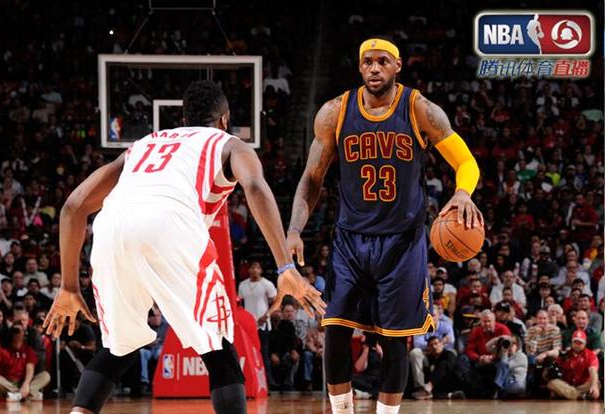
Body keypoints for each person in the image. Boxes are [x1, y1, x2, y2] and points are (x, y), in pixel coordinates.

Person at [43, 80, 325, 414]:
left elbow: (73, 207)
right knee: (219, 348)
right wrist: (285, 267)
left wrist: (69, 287)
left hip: (110, 228)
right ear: (224, 119)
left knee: (119, 347)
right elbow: (255, 187)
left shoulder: (143, 144)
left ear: (183, 117)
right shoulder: (230, 143)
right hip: (172, 224)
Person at [287, 36, 482, 414]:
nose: (374, 68)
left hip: (402, 242)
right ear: (360, 67)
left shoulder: (420, 109)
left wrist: (462, 193)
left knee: (396, 341)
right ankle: (341, 410)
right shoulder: (335, 112)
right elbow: (311, 180)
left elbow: (467, 162)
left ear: (397, 66)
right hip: (351, 239)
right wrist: (294, 229)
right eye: (367, 62)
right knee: (338, 331)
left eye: (382, 62)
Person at [237, 261, 277, 387]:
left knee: (263, 353)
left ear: (261, 270)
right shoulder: (243, 285)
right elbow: (239, 303)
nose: (255, 269)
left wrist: (267, 315)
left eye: (257, 267)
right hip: (248, 324)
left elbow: (275, 302)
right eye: (253, 267)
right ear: (248, 270)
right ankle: (249, 380)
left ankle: (268, 382)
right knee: (248, 352)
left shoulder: (266, 284)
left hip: (262, 323)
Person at [0, 325, 50, 401]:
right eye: (15, 331)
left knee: (45, 375)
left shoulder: (28, 350)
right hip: (8, 383)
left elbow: (30, 370)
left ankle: (20, 395)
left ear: (24, 334)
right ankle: (25, 394)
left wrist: (26, 384)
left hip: (24, 382)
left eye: (20, 331)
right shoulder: (3, 349)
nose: (17, 334)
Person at [409, 303, 455, 399]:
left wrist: (436, 347)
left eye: (433, 315)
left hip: (441, 355)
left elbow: (451, 343)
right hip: (427, 355)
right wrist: (437, 344)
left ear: (439, 316)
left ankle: (433, 388)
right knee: (415, 352)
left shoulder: (446, 326)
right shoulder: (420, 327)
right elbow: (417, 344)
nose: (430, 318)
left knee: (452, 353)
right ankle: (420, 387)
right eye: (428, 315)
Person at [547, 330, 600, 400]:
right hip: (568, 385)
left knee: (596, 383)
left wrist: (594, 385)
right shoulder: (566, 354)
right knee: (551, 383)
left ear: (585, 343)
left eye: (580, 343)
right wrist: (547, 354)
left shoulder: (590, 355)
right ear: (572, 342)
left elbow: (593, 371)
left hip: (583, 385)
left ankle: (571, 395)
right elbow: (556, 356)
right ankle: (581, 396)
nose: (577, 345)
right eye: (575, 342)